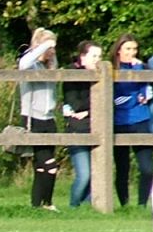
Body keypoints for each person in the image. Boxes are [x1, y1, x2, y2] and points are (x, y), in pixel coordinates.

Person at [16, 27, 60, 210]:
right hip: (32, 119)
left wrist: (52, 54)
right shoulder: (30, 64)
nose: (51, 51)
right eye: (49, 47)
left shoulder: (49, 66)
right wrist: (44, 45)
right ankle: (47, 204)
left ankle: (37, 205)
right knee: (50, 165)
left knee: (42, 167)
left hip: (49, 119)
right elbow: (23, 64)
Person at [111, 33, 153, 207]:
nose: (132, 52)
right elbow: (115, 100)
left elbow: (147, 93)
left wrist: (139, 94)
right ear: (119, 51)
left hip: (141, 120)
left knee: (147, 168)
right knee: (122, 168)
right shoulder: (113, 69)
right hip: (119, 122)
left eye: (134, 49)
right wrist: (134, 98)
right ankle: (124, 205)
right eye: (128, 48)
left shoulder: (142, 68)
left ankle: (142, 205)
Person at [61, 40, 102, 208]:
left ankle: (87, 208)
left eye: (100, 56)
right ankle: (73, 206)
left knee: (96, 175)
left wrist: (88, 111)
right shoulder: (72, 73)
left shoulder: (102, 74)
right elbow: (74, 103)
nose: (97, 60)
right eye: (94, 56)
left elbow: (107, 103)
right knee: (84, 174)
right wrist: (92, 106)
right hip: (77, 129)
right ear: (83, 57)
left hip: (97, 128)